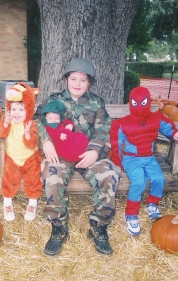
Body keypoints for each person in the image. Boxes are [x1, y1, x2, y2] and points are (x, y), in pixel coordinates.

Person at [35, 58, 121, 256]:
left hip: (87, 153)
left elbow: (103, 131)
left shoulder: (96, 103)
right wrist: (46, 141)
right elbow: (39, 122)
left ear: (89, 83)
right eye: (73, 78)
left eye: (83, 80)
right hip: (61, 154)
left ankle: (98, 227)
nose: (77, 83)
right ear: (66, 79)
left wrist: (94, 151)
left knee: (109, 175)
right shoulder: (54, 100)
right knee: (53, 177)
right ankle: (58, 227)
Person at [110, 86, 178, 236]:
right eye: (135, 103)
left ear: (148, 102)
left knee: (159, 179)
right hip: (131, 159)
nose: (140, 107)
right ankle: (131, 214)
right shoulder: (123, 123)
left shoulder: (156, 118)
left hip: (149, 158)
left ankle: (152, 203)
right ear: (130, 103)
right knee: (139, 182)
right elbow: (116, 142)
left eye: (143, 103)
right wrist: (118, 161)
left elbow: (169, 127)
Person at [0, 82, 42, 222]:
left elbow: (33, 143)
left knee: (33, 179)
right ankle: (7, 203)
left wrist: (27, 135)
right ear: (9, 109)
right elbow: (0, 134)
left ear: (28, 110)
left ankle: (32, 203)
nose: (16, 113)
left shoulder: (31, 124)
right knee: (9, 178)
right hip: (12, 157)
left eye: (21, 110)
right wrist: (5, 123)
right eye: (13, 109)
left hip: (30, 158)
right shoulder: (8, 122)